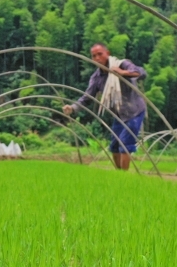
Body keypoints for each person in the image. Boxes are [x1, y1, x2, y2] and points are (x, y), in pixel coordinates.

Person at [63, 43, 147, 171]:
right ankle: (119, 173)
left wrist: (122, 72)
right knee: (114, 145)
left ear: (107, 53)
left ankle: (124, 177)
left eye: (100, 54)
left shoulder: (122, 64)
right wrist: (73, 108)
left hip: (134, 111)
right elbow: (87, 97)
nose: (97, 58)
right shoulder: (96, 78)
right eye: (94, 56)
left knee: (125, 144)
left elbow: (140, 72)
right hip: (118, 115)